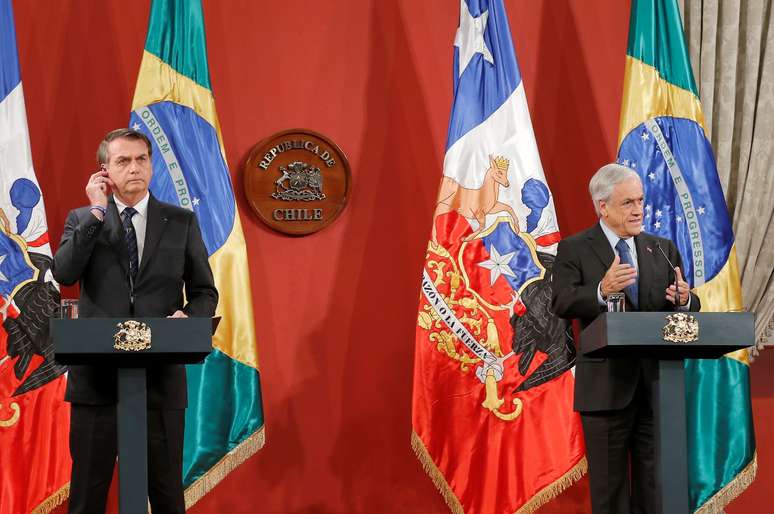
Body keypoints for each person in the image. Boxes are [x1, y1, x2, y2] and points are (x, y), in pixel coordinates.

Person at [52, 128, 218, 514]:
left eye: (142, 159)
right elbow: (64, 273)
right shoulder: (83, 220)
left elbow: (204, 291)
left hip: (159, 381)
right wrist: (96, 211)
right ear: (104, 171)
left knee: (165, 494)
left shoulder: (181, 222)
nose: (134, 168)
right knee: (87, 497)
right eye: (123, 161)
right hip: (96, 382)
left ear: (152, 165)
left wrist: (189, 317)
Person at [551, 163, 700, 514]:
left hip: (656, 390)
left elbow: (686, 306)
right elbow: (561, 301)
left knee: (655, 492)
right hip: (605, 391)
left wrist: (686, 299)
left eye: (640, 201)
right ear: (603, 206)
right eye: (628, 203)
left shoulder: (660, 248)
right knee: (610, 495)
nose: (638, 210)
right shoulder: (575, 249)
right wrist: (601, 290)